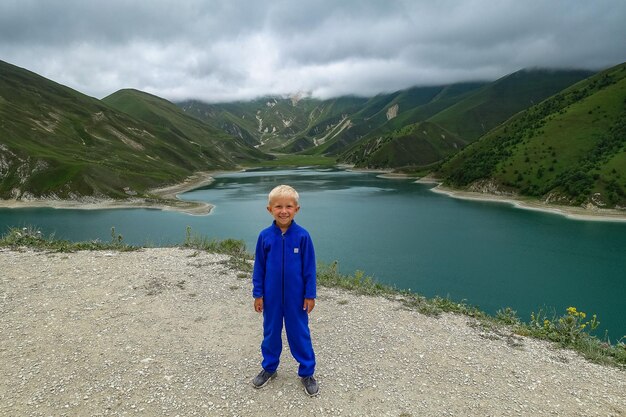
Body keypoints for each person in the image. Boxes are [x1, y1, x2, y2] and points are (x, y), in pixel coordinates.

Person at [251, 184, 319, 397]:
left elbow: (309, 268)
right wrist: (258, 293)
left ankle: (307, 372)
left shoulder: (303, 236)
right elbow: (259, 267)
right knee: (270, 333)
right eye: (278, 206)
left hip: (296, 298)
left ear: (296, 209)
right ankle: (269, 368)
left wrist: (310, 294)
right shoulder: (265, 236)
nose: (283, 211)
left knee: (299, 333)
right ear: (269, 209)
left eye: (288, 206)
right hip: (271, 298)